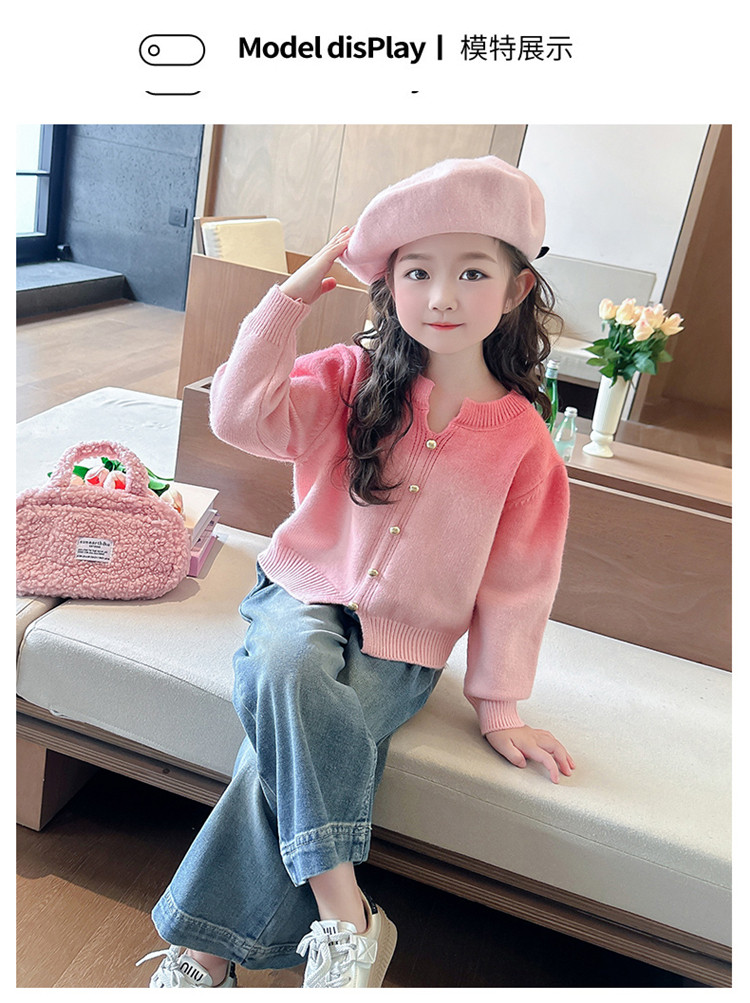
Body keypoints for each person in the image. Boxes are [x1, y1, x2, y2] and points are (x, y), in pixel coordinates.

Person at [138, 156, 574, 989]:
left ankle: (204, 956)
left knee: (278, 748)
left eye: (471, 272)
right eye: (417, 272)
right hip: (300, 589)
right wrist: (290, 298)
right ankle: (349, 918)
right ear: (389, 283)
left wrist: (499, 703)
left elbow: (519, 579)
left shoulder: (525, 441)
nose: (441, 295)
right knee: (288, 664)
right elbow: (238, 415)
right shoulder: (349, 377)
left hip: (403, 646)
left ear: (518, 289)